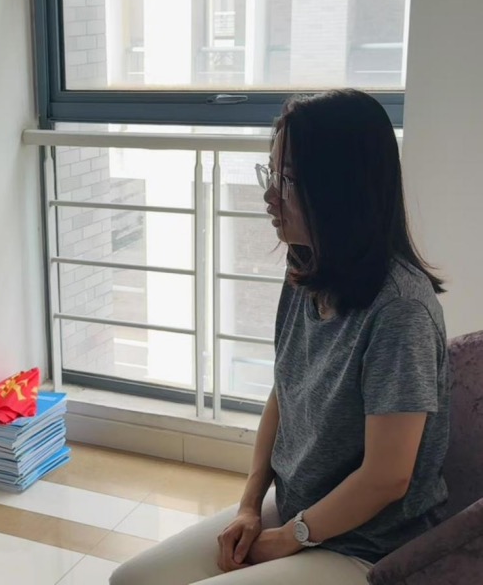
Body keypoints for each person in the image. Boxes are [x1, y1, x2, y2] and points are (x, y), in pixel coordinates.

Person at [109, 89, 450, 585]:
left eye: (287, 180)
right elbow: (283, 392)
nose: (270, 196)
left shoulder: (400, 311)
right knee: (132, 580)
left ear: (340, 189)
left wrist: (291, 537)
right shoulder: (307, 269)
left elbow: (387, 477)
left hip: (369, 547)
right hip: (296, 512)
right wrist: (249, 506)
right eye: (270, 173)